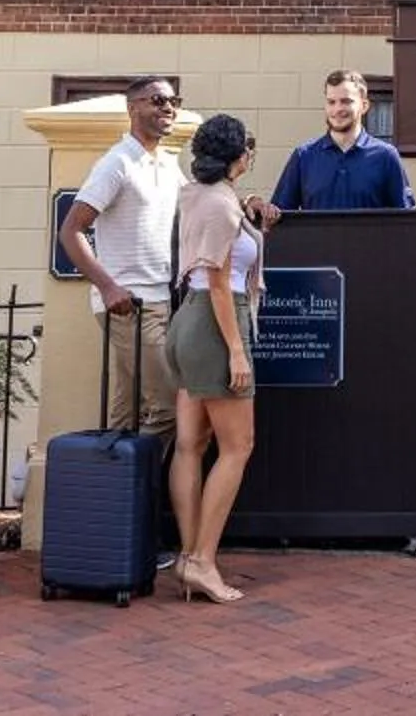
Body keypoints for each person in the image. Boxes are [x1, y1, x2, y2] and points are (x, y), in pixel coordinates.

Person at [166, 112, 263, 602]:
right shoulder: (224, 208)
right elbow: (222, 284)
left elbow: (218, 220)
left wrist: (248, 208)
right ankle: (203, 561)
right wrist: (238, 351)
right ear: (238, 159)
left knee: (190, 444)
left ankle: (187, 556)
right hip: (215, 323)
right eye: (248, 151)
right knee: (238, 445)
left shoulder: (195, 193)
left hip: (185, 321)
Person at [57, 75, 185, 439]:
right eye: (158, 100)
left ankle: (114, 489)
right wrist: (109, 287)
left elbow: (198, 203)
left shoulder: (167, 162)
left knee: (127, 408)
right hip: (129, 305)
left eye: (174, 100)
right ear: (133, 108)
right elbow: (71, 230)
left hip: (159, 299)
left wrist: (246, 203)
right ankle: (145, 491)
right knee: (168, 407)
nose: (168, 107)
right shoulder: (117, 163)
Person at [268, 68, 415, 213]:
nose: (337, 109)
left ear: (364, 106)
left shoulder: (386, 156)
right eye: (331, 102)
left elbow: (406, 220)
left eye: (346, 101)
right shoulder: (304, 156)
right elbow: (280, 217)